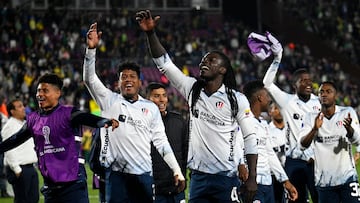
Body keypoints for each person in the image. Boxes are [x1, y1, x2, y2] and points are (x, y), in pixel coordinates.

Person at [136, 10, 258, 203]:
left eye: (211, 60)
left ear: (223, 70)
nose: (204, 62)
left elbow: (251, 138)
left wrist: (252, 177)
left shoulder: (237, 99)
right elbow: (164, 65)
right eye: (203, 60)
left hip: (226, 179)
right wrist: (151, 34)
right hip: (198, 179)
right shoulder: (193, 89)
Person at [83, 22, 186, 203]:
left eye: (132, 77)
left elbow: (162, 143)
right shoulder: (109, 100)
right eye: (124, 77)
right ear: (118, 83)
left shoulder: (151, 108)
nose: (128, 80)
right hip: (117, 176)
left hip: (144, 176)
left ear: (140, 83)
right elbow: (89, 79)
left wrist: (176, 171)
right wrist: (91, 51)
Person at [0, 73, 119, 203]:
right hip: (50, 188)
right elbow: (15, 139)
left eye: (45, 91)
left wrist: (104, 121)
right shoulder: (33, 120)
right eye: (38, 91)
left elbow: (85, 117)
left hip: (74, 184)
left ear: (57, 93)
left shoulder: (68, 113)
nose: (40, 94)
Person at [262, 32, 320, 203]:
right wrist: (277, 58)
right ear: (295, 85)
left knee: (320, 198)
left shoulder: (319, 102)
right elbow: (266, 83)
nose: (308, 83)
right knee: (295, 200)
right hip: (294, 162)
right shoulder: (287, 101)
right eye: (303, 80)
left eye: (309, 80)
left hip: (317, 161)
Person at [299, 81, 360, 203]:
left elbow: (357, 141)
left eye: (328, 91)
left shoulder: (347, 112)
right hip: (324, 182)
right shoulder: (310, 117)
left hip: (347, 178)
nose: (324, 94)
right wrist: (314, 129)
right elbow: (302, 145)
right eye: (321, 92)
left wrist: (349, 129)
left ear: (335, 95)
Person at [243, 80, 298, 203]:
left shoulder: (263, 124)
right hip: (252, 184)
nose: (269, 100)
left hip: (268, 184)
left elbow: (270, 154)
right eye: (267, 96)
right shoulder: (243, 122)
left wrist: (285, 181)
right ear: (260, 98)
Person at [146, 82, 189, 203]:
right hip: (154, 189)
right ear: (147, 99)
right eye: (156, 96)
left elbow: (186, 152)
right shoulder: (141, 124)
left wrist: (182, 175)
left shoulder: (178, 121)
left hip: (176, 188)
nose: (161, 100)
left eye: (164, 95)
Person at [1, 99, 39, 203]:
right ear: (12, 111)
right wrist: (17, 170)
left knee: (33, 199)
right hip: (20, 169)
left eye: (23, 106)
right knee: (22, 200)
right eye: (20, 106)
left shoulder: (25, 124)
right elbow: (8, 149)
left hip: (30, 167)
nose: (23, 108)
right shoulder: (9, 126)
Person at [268, 102, 288, 203]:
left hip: (290, 170)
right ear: (270, 112)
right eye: (275, 108)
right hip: (275, 174)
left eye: (280, 108)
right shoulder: (267, 130)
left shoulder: (291, 128)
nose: (279, 111)